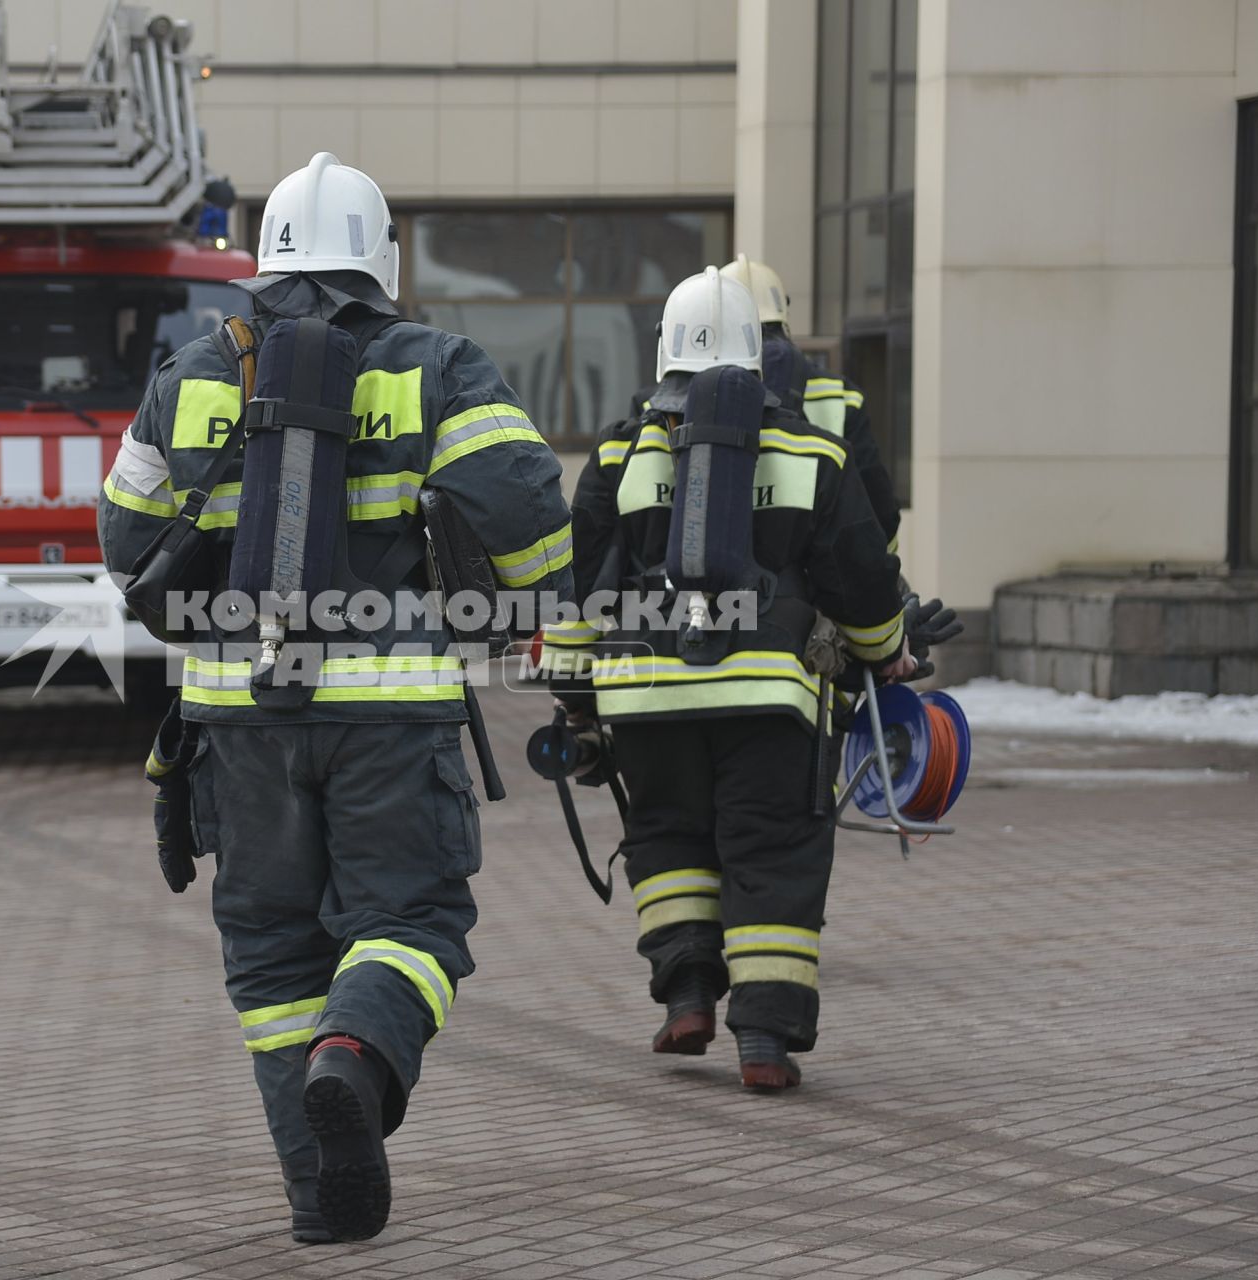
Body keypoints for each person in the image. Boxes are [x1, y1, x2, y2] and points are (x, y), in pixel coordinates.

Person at [99, 153, 573, 1243]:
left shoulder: (194, 374)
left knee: (271, 956)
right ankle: (353, 1057)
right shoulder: (435, 365)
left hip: (237, 719)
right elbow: (534, 526)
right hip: (390, 713)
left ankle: (321, 1196)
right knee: (409, 917)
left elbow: (128, 544)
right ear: (381, 259)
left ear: (262, 262)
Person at [546, 268, 910, 1091]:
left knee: (667, 838)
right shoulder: (812, 449)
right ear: (760, 352)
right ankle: (765, 1042)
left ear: (664, 348)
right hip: (772, 703)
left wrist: (574, 698)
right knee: (770, 851)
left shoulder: (615, 452)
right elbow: (858, 573)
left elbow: (577, 584)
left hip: (644, 696)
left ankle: (685, 997)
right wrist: (886, 648)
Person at [719, 254, 902, 552]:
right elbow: (879, 513)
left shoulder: (674, 401)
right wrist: (879, 582)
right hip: (817, 583)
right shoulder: (841, 396)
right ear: (783, 314)